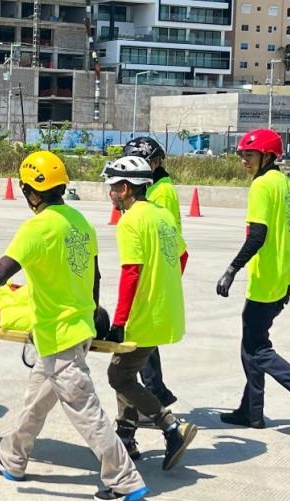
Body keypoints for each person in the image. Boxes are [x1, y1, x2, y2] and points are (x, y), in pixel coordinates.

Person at [0, 150, 148, 501]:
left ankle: (123, 479)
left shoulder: (37, 227)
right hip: (73, 328)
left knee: (86, 412)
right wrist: (94, 312)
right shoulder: (79, 221)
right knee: (35, 402)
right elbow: (94, 274)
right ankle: (13, 456)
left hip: (59, 335)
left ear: (31, 192)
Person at [215, 128, 290, 434]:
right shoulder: (288, 186)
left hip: (264, 281)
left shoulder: (262, 186)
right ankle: (251, 412)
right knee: (251, 347)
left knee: (257, 349)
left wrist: (232, 268)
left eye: (250, 154)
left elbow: (258, 234)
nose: (244, 160)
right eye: (242, 154)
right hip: (281, 280)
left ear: (268, 156)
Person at [101, 156, 198, 469]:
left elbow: (131, 273)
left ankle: (171, 428)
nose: (112, 194)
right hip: (165, 312)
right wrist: (164, 287)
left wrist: (119, 322)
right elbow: (182, 256)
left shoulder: (130, 221)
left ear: (126, 188)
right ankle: (126, 441)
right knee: (127, 372)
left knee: (118, 375)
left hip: (142, 316)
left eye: (114, 188)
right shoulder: (161, 215)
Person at [122, 137, 184, 409]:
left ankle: (153, 397)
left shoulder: (161, 192)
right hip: (159, 266)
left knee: (140, 342)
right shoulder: (155, 187)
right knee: (146, 344)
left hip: (158, 267)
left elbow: (165, 234)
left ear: (156, 162)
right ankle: (156, 392)